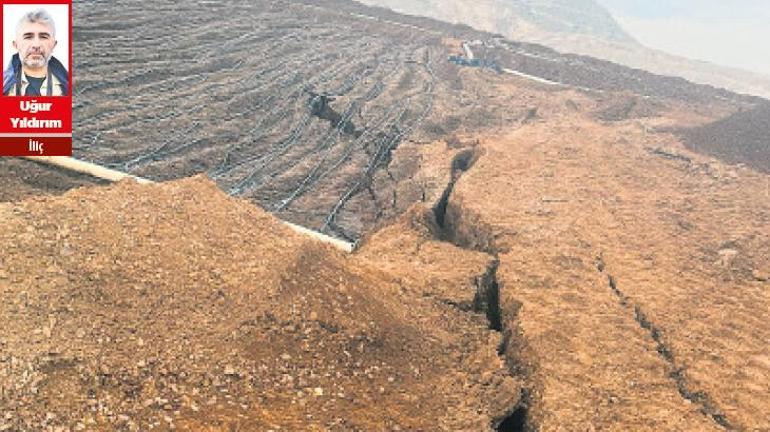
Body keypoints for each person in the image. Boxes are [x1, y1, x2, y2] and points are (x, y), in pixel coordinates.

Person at [2, 8, 69, 96]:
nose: (36, 45)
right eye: (28, 37)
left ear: (54, 45)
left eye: (43, 37)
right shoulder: (4, 84)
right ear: (16, 45)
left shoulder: (70, 87)